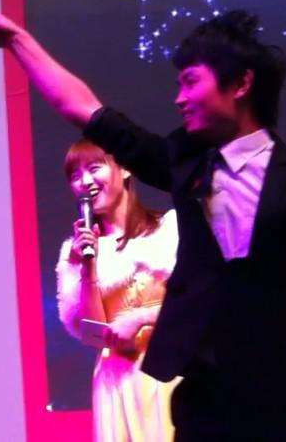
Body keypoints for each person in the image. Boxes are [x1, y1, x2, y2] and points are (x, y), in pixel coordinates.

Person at [0, 9, 286, 441]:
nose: (179, 99)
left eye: (190, 82)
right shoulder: (186, 165)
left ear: (241, 84)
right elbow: (83, 109)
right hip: (205, 406)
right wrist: (16, 40)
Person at [56, 139, 179, 441]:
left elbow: (198, 302)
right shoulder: (75, 254)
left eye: (94, 168)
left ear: (124, 168)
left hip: (172, 368)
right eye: (75, 175)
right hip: (119, 384)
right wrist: (88, 266)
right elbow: (92, 333)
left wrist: (141, 318)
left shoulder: (170, 230)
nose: (85, 182)